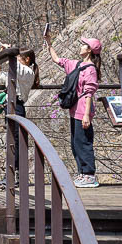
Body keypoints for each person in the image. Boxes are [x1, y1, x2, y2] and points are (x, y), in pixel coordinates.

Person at [45, 32, 102, 188]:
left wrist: (86, 115)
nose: (80, 46)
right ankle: (82, 173)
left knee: (83, 142)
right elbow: (58, 60)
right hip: (75, 110)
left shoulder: (90, 69)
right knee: (76, 143)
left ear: (89, 50)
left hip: (83, 110)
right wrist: (49, 43)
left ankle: (89, 175)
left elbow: (89, 93)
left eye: (84, 44)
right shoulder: (77, 65)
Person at [0, 46, 40, 184]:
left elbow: (15, 66)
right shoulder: (17, 72)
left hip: (17, 106)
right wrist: (1, 57)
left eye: (19, 57)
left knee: (15, 142)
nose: (16, 59)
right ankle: (12, 175)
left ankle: (14, 175)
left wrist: (9, 53)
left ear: (27, 59)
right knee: (12, 141)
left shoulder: (27, 72)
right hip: (11, 106)